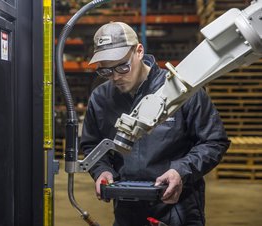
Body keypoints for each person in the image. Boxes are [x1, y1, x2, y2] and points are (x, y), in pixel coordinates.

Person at [80, 22, 230, 226]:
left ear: (139, 51)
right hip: (127, 210)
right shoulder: (101, 98)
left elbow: (214, 141)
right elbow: (91, 145)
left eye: (122, 67)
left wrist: (181, 170)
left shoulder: (181, 91)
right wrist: (102, 171)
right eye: (105, 71)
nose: (115, 77)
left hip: (178, 209)